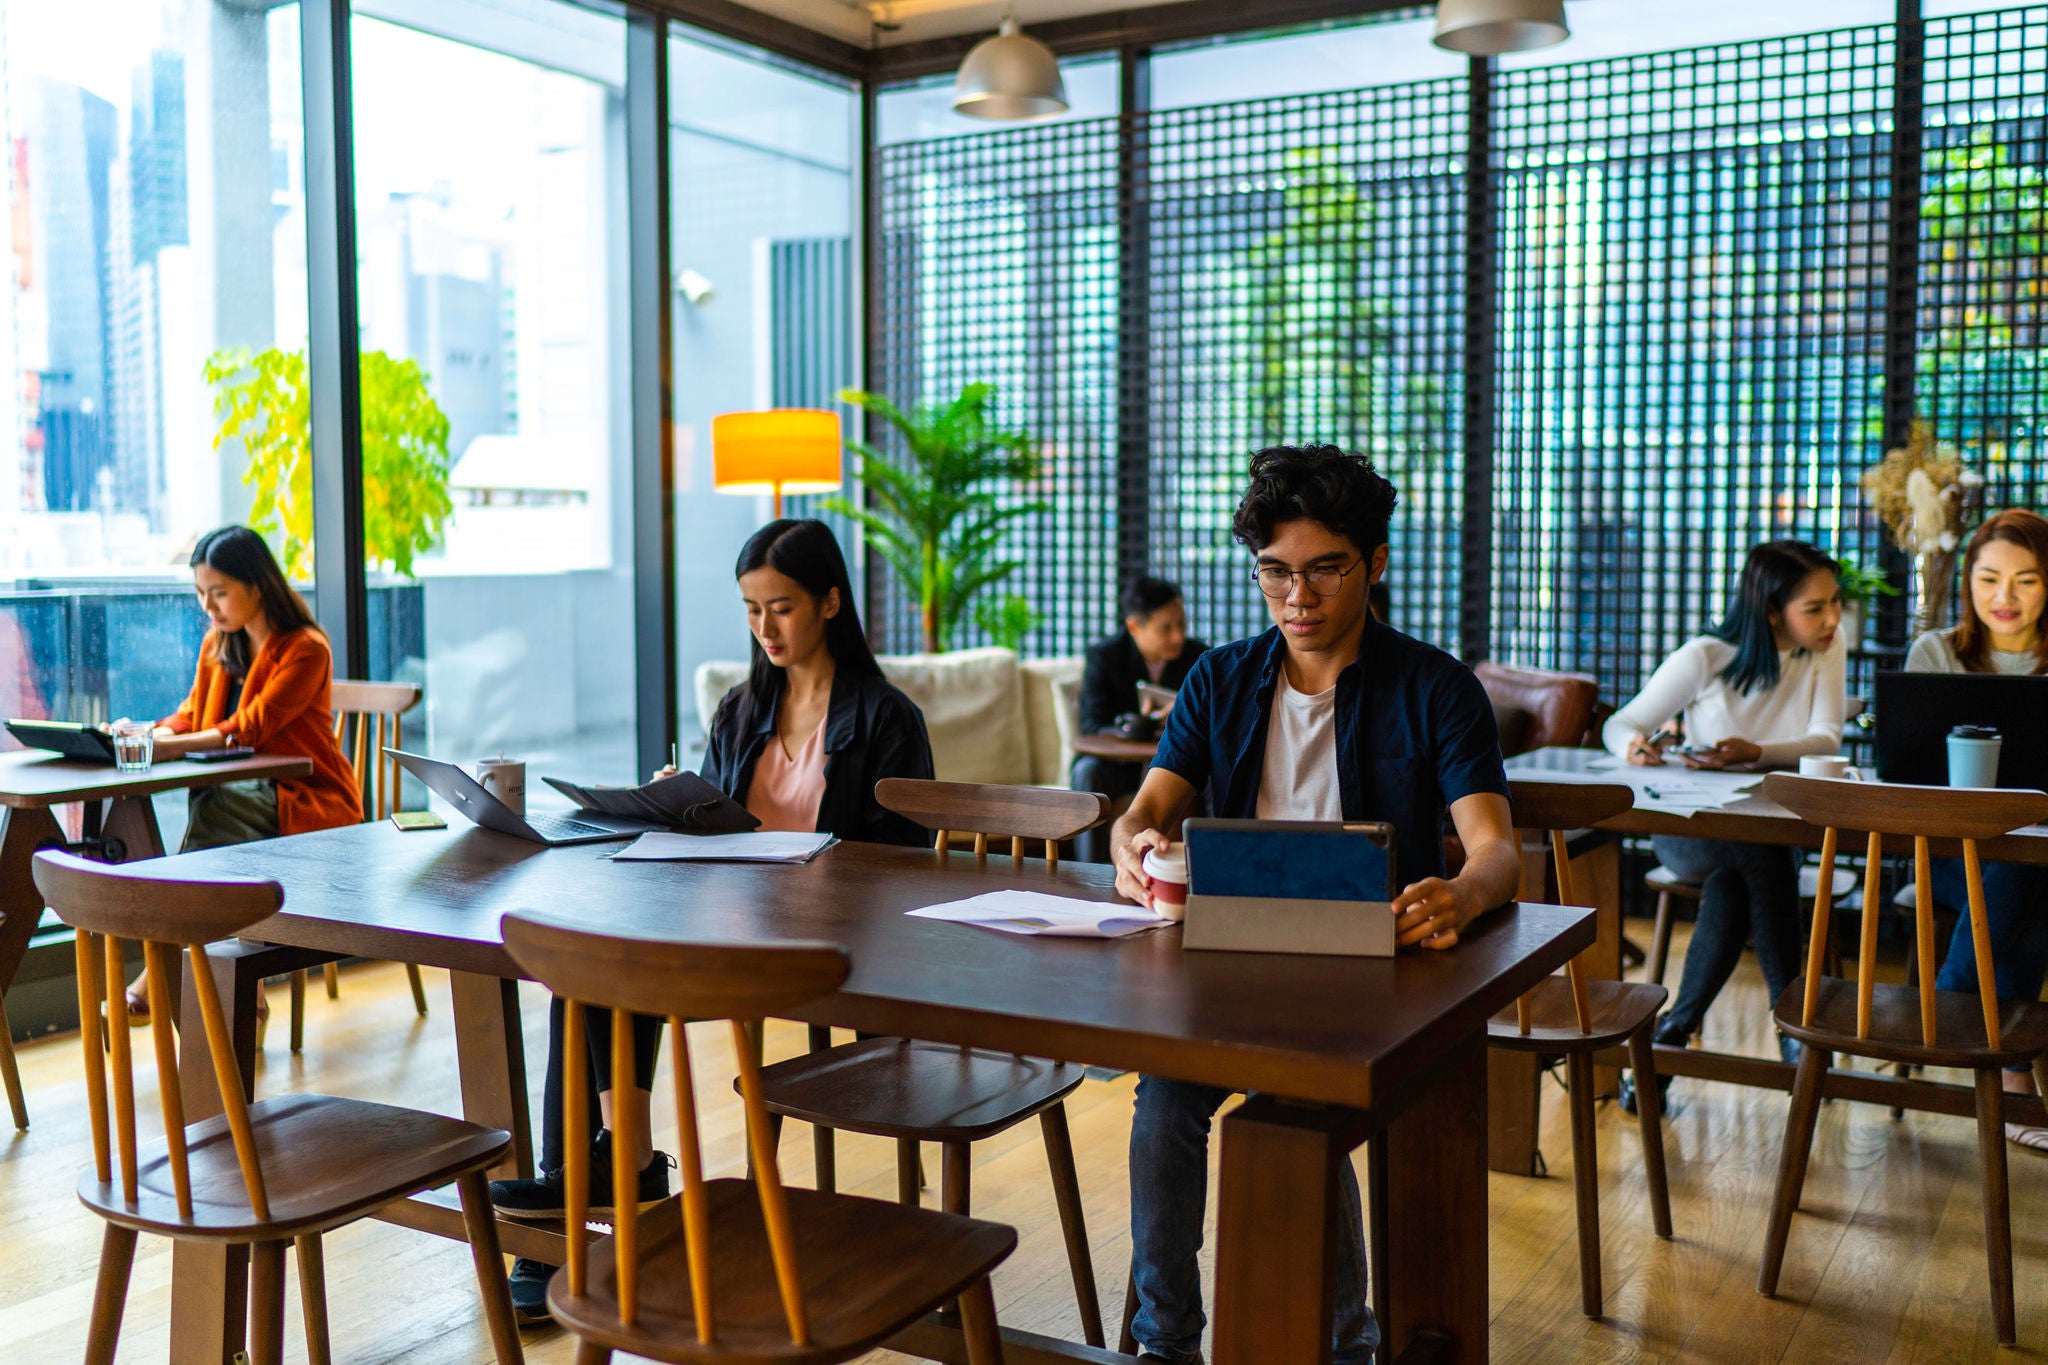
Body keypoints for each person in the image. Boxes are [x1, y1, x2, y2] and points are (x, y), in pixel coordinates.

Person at [1107, 444, 1522, 1365]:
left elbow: (1499, 853)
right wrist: (1129, 841)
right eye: (1275, 573)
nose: (1297, 597)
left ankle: (1344, 1343)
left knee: (1294, 1104)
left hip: (1373, 978)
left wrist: (1457, 893)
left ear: (1373, 563)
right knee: (1163, 1104)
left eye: (1324, 570)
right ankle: (1164, 1342)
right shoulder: (1219, 677)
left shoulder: (1433, 686)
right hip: (1226, 963)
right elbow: (1148, 807)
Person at [490, 518, 935, 1324]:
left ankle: (593, 1186)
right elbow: (722, 823)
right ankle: (606, 1168)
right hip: (726, 917)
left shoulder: (885, 718)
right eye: (751, 608)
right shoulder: (739, 707)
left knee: (622, 966)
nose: (764, 628)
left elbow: (904, 864)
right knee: (585, 965)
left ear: (832, 601)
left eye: (783, 607)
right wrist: (680, 800)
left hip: (823, 941)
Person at [1604, 540, 1845, 1111]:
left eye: (1835, 603)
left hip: (1767, 837)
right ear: (1770, 610)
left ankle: (1670, 1035)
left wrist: (1752, 752)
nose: (1832, 618)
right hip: (1692, 831)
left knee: (1735, 882)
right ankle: (1797, 1031)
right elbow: (1623, 722)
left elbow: (1827, 738)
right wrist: (1636, 745)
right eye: (1815, 608)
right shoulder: (1706, 656)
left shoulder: (1823, 653)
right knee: (1757, 861)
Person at [1905, 508, 2048, 1149]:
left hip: (2035, 853)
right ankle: (2012, 1072)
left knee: (2027, 869)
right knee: (2029, 884)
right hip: (1943, 851)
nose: (2004, 597)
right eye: (1989, 578)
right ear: (1967, 580)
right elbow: (1906, 775)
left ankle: (1953, 1012)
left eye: (2027, 580)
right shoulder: (1936, 652)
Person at [1070, 575, 1207, 862]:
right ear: (1134, 626)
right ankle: (1090, 872)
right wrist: (1140, 723)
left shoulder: (1200, 658)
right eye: (1166, 628)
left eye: (1181, 624)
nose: (1178, 636)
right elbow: (1092, 725)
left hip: (1177, 764)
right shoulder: (1105, 657)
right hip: (1118, 767)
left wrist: (1182, 715)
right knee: (1086, 771)